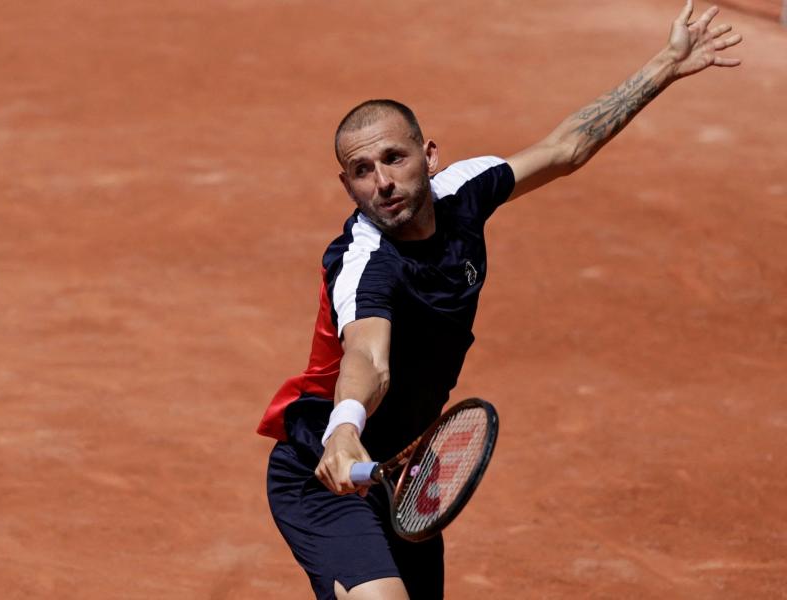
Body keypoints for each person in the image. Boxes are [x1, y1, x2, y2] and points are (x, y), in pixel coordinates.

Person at [256, 2, 742, 598]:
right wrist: (345, 427)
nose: (381, 181)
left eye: (394, 158)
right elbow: (369, 358)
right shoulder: (364, 263)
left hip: (408, 467)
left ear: (428, 157)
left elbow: (565, 150)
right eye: (360, 170)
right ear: (346, 185)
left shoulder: (465, 191)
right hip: (324, 468)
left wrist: (666, 66)